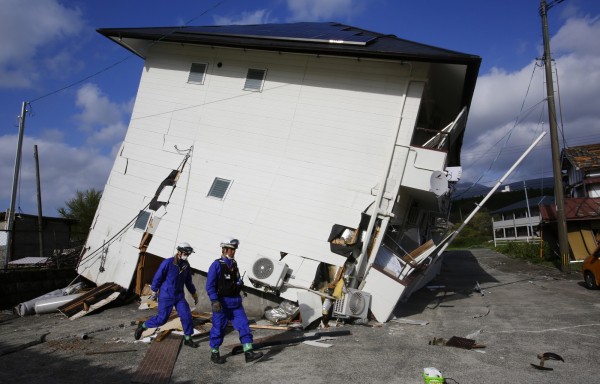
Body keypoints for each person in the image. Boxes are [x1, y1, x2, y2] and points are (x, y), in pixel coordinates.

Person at [206, 237, 264, 364]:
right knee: (218, 329)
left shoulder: (234, 264)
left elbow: (236, 279)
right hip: (221, 304)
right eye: (231, 250)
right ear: (224, 249)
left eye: (234, 250)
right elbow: (209, 285)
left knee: (244, 326)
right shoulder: (216, 265)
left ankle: (248, 353)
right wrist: (215, 300)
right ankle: (214, 353)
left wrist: (240, 285)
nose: (233, 252)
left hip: (236, 303)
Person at [134, 241, 200, 348]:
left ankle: (188, 338)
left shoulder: (186, 266)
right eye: (185, 253)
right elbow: (158, 276)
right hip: (166, 295)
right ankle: (143, 326)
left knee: (186, 315)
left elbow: (188, 281)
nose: (187, 256)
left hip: (179, 296)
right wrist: (154, 290)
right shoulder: (168, 263)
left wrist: (194, 293)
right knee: (162, 319)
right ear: (179, 252)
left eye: (188, 254)